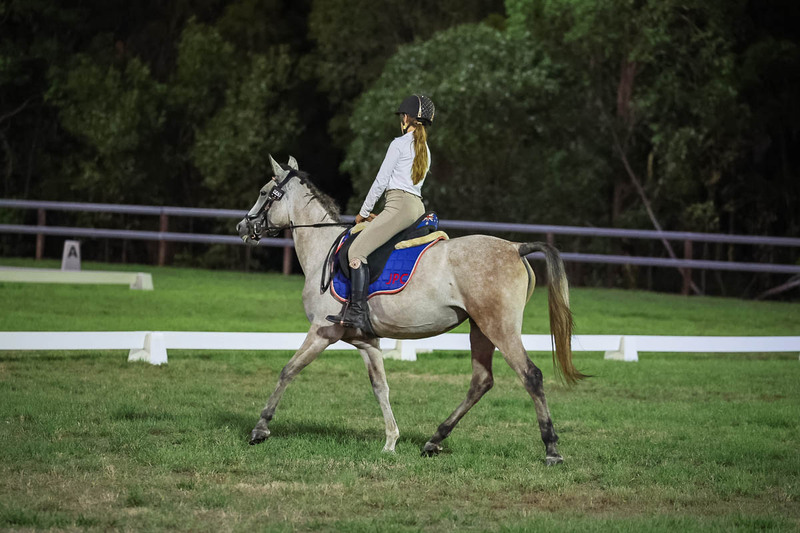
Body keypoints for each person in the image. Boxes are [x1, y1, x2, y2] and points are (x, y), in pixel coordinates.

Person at [327, 94, 435, 332]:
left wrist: (363, 212)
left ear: (406, 118)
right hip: (416, 207)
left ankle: (358, 312)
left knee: (356, 251)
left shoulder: (399, 144)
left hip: (399, 205)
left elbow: (381, 181)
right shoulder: (425, 149)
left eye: (402, 116)